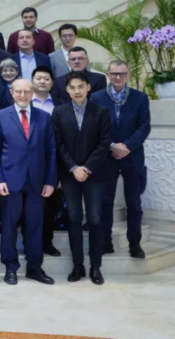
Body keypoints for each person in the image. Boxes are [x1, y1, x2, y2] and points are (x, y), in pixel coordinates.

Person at [0, 79, 57, 286]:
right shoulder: (1, 116)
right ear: (11, 92)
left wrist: (50, 181)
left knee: (35, 225)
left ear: (32, 93)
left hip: (37, 181)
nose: (22, 95)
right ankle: (11, 267)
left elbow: (51, 152)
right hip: (10, 181)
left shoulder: (44, 117)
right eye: (18, 91)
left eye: (27, 91)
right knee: (9, 225)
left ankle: (34, 267)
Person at [52, 71, 113, 285]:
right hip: (70, 175)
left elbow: (104, 143)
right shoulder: (59, 112)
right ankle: (77, 265)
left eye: (81, 86)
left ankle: (96, 266)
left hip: (94, 174)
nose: (77, 91)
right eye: (72, 87)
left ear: (88, 87)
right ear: (67, 90)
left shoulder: (101, 111)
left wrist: (86, 168)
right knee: (74, 218)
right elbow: (58, 143)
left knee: (95, 219)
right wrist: (73, 168)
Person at [90, 60, 151, 258]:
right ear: (108, 75)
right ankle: (105, 242)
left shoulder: (140, 98)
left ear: (128, 75)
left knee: (133, 202)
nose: (117, 77)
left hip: (132, 157)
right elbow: (95, 127)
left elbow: (144, 126)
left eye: (121, 74)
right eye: (114, 74)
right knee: (105, 201)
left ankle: (135, 243)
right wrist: (111, 145)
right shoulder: (97, 97)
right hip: (106, 157)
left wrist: (127, 147)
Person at [30, 66, 62, 257]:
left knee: (49, 206)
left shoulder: (60, 104)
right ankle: (29, 242)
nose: (42, 81)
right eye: (38, 78)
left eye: (46, 78)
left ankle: (47, 242)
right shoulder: (24, 102)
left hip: (52, 161)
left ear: (52, 83)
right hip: (27, 164)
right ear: (32, 81)